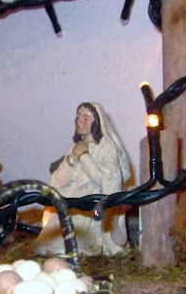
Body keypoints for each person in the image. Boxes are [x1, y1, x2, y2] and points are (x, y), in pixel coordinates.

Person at [36, 102, 131, 256]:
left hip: (91, 204)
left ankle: (92, 248)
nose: (80, 122)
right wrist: (71, 159)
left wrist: (84, 156)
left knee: (77, 244)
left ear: (97, 122)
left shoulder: (106, 148)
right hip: (72, 201)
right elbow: (60, 178)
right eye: (78, 117)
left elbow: (108, 180)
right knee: (51, 244)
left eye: (86, 118)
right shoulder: (74, 146)